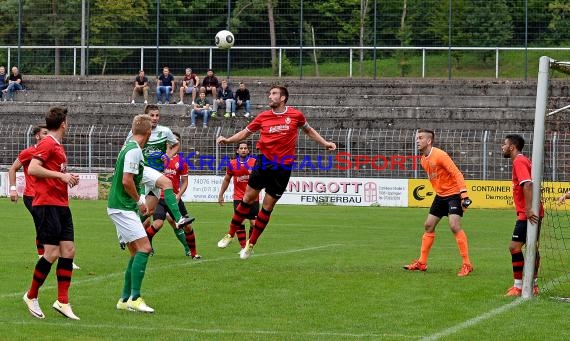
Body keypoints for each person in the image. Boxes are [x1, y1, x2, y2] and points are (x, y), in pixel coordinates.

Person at [216, 85, 336, 259]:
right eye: (269, 93)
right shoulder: (263, 117)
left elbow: (309, 131)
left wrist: (325, 143)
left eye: (273, 94)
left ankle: (251, 244)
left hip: (283, 167)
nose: (269, 96)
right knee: (247, 198)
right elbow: (245, 133)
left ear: (283, 98)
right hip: (264, 162)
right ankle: (230, 234)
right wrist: (227, 140)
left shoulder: (296, 115)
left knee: (267, 207)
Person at [23, 107, 80, 320]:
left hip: (61, 204)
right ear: (63, 123)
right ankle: (31, 295)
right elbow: (33, 169)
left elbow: (53, 173)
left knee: (69, 250)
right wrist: (61, 176)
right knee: (52, 253)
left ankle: (62, 301)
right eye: (68, 120)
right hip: (46, 204)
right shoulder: (47, 143)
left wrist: (67, 177)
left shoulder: (57, 145)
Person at [8, 126, 83, 268]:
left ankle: (60, 256)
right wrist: (13, 189)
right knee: (42, 226)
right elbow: (12, 168)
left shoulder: (53, 150)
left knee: (53, 227)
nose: (48, 135)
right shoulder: (29, 152)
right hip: (32, 196)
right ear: (37, 136)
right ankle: (43, 256)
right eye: (44, 133)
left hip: (48, 196)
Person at [403, 129, 473, 276]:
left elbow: (456, 173)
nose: (417, 140)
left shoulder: (440, 155)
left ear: (429, 141)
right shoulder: (423, 160)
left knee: (454, 225)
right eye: (417, 138)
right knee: (428, 226)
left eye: (420, 138)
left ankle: (467, 264)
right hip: (440, 196)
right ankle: (422, 263)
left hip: (454, 194)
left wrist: (464, 196)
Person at [108, 113, 155, 313]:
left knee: (136, 251)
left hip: (119, 206)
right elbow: (127, 181)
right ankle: (135, 298)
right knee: (145, 248)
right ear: (149, 132)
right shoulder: (134, 150)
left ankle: (124, 299)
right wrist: (140, 201)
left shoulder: (128, 146)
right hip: (122, 206)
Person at [124, 104, 194, 235]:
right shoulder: (137, 132)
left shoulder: (165, 131)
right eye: (152, 115)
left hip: (156, 174)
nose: (155, 118)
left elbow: (176, 144)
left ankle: (126, 233)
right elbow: (126, 148)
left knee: (149, 210)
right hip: (143, 171)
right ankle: (179, 219)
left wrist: (168, 155)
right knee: (167, 183)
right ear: (146, 117)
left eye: (157, 115)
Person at [144, 132, 201, 259]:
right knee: (157, 224)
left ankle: (193, 253)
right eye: (171, 141)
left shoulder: (181, 161)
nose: (173, 143)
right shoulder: (159, 159)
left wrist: (179, 195)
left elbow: (185, 182)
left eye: (176, 141)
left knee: (187, 226)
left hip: (174, 198)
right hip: (160, 198)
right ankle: (146, 246)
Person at [503, 134, 542, 296]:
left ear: (512, 147)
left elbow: (527, 184)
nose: (502, 147)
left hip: (527, 214)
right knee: (532, 246)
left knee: (514, 247)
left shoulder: (519, 161)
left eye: (504, 144)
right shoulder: (523, 160)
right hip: (532, 211)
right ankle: (533, 285)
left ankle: (518, 287)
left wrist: (527, 209)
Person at [217, 142, 259, 250]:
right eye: (241, 148)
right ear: (237, 150)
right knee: (240, 221)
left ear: (248, 150)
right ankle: (243, 247)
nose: (243, 150)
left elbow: (262, 177)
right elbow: (227, 179)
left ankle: (249, 245)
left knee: (254, 223)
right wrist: (221, 194)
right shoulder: (232, 163)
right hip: (238, 197)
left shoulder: (254, 162)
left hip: (253, 197)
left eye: (245, 148)